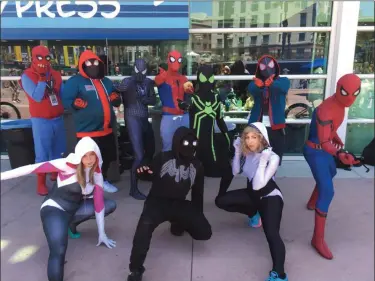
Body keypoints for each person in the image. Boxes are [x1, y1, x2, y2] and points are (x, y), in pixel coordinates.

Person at [0, 137, 117, 281]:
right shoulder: (65, 165)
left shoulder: (96, 172)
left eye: (92, 154)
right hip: (55, 210)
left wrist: (102, 233)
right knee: (59, 251)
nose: (89, 159)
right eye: (85, 155)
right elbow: (31, 168)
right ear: (79, 155)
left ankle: (71, 224)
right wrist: (1, 176)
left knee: (109, 205)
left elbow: (99, 205)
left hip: (74, 209)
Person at [127, 127, 212, 281]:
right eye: (186, 142)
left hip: (179, 204)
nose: (190, 146)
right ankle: (136, 269)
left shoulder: (197, 165)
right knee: (143, 231)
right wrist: (143, 172)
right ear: (177, 142)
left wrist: (196, 216)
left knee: (204, 233)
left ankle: (178, 223)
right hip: (156, 203)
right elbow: (149, 175)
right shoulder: (162, 158)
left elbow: (197, 194)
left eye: (193, 143)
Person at [215, 123, 288, 281]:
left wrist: (263, 161)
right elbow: (235, 171)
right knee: (221, 201)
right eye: (246, 137)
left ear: (261, 138)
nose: (249, 141)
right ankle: (254, 214)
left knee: (272, 234)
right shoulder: (247, 153)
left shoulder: (273, 157)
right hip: (253, 196)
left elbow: (258, 184)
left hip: (270, 197)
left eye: (253, 137)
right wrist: (237, 151)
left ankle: (279, 274)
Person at [304, 73, 362, 260]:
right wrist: (339, 153)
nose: (350, 99)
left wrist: (334, 135)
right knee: (328, 191)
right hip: (315, 150)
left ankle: (313, 202)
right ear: (338, 89)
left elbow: (329, 130)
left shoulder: (340, 104)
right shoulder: (326, 110)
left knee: (331, 171)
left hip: (323, 148)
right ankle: (317, 239)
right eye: (346, 93)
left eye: (355, 93)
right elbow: (323, 140)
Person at [62, 50, 121, 193]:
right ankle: (87, 183)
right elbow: (66, 100)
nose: (93, 66)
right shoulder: (75, 82)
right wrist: (75, 104)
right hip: (86, 131)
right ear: (83, 65)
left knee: (105, 157)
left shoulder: (106, 81)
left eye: (96, 63)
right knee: (87, 160)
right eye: (89, 63)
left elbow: (115, 99)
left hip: (106, 129)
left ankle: (102, 180)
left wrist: (116, 98)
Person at [19, 45, 66, 196]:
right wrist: (41, 78)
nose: (44, 61)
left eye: (47, 57)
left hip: (57, 118)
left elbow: (62, 95)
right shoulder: (27, 76)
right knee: (42, 152)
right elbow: (37, 97)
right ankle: (41, 182)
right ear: (33, 58)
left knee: (58, 150)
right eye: (40, 57)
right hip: (41, 120)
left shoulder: (56, 74)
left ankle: (55, 173)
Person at [188, 65, 234, 197]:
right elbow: (189, 112)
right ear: (198, 79)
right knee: (196, 176)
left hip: (211, 145)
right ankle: (194, 205)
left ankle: (221, 196)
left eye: (210, 78)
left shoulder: (216, 98)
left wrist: (228, 138)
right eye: (204, 78)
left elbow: (220, 120)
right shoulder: (193, 99)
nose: (207, 81)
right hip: (195, 146)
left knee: (227, 172)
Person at [114, 58, 157, 200]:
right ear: (134, 69)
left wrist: (147, 100)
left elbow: (153, 99)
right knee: (138, 155)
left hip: (144, 118)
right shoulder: (127, 82)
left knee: (150, 149)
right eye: (139, 70)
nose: (140, 73)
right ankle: (133, 188)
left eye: (143, 70)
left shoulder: (148, 82)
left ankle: (144, 173)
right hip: (132, 118)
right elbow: (114, 92)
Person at [248, 55, 290, 164]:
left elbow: (283, 88)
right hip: (258, 126)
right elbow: (251, 89)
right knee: (256, 158)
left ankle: (271, 179)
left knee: (274, 158)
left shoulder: (283, 81)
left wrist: (272, 83)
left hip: (275, 126)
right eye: (263, 66)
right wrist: (260, 86)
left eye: (270, 65)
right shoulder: (256, 82)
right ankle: (255, 180)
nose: (267, 69)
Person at [154, 50, 194, 151]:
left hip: (183, 116)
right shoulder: (162, 78)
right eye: (173, 59)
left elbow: (188, 96)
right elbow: (158, 81)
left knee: (185, 146)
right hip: (169, 116)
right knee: (168, 147)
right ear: (168, 60)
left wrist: (188, 97)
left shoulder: (183, 79)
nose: (176, 62)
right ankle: (168, 166)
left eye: (178, 59)